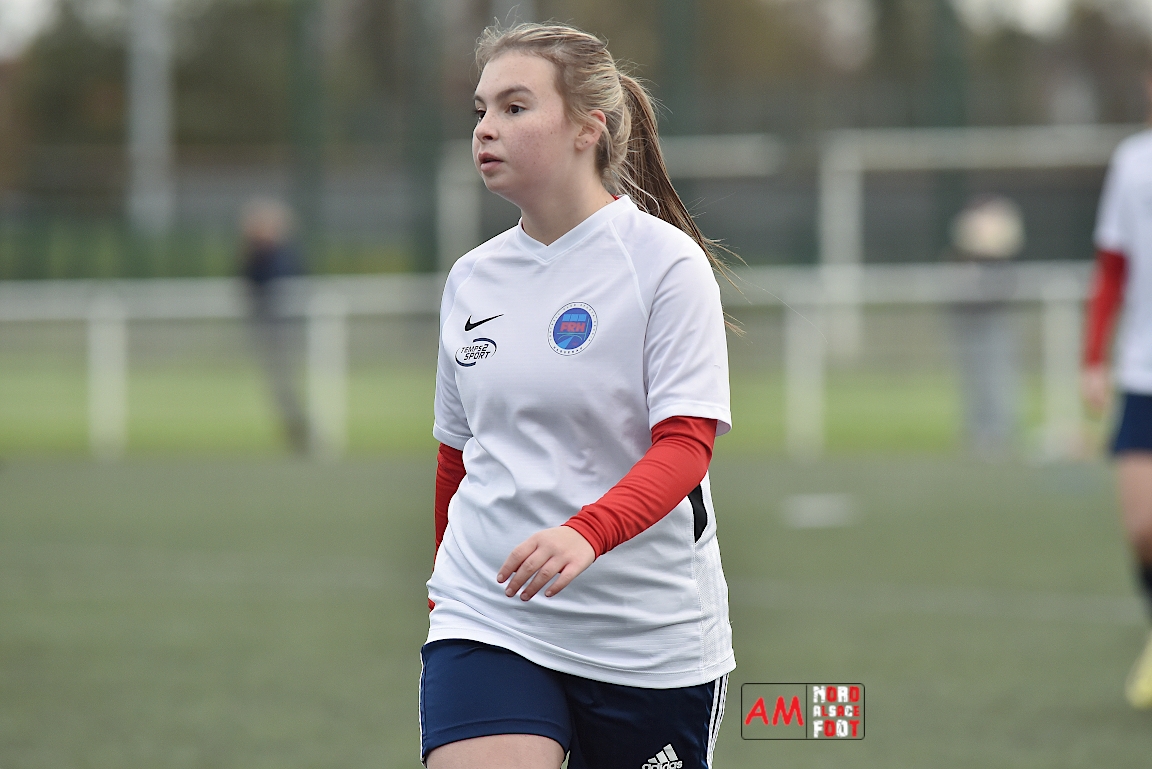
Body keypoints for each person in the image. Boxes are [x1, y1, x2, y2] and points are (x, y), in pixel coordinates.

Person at [421, 22, 734, 769]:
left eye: (515, 107)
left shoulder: (664, 264)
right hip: (490, 613)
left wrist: (586, 533)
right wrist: (446, 596)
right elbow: (457, 458)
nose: (485, 129)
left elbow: (685, 445)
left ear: (587, 129)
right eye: (481, 110)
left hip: (646, 637)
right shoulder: (471, 278)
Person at [1082, 77, 1152, 710]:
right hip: (1142, 374)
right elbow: (1112, 269)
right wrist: (1092, 359)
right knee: (1143, 528)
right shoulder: (1132, 162)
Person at [238, 197, 307, 453]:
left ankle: (301, 429)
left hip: (282, 330)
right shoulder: (256, 256)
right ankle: (296, 429)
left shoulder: (280, 257)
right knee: (279, 384)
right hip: (269, 328)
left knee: (287, 382)